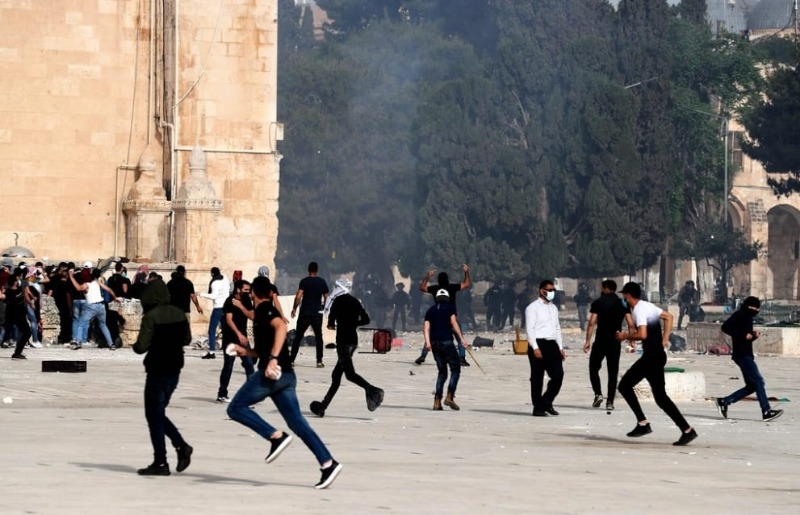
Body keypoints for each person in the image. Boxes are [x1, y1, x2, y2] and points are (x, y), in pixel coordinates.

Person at [226, 275, 343, 489]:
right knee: (297, 423)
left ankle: (275, 437)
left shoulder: (265, 311)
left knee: (235, 408)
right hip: (286, 377)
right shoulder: (260, 316)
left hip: (272, 375)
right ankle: (328, 463)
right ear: (270, 293)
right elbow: (262, 348)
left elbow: (281, 327)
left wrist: (271, 360)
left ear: (253, 294)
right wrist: (244, 351)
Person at [616, 282, 698, 445]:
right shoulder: (647, 306)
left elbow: (643, 334)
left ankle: (643, 423)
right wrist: (665, 338)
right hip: (657, 355)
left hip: (651, 358)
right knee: (661, 398)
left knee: (624, 386)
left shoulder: (639, 309)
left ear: (628, 295)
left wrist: (625, 336)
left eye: (624, 296)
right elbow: (669, 317)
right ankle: (687, 430)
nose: (623, 299)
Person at [132, 278, 193, 476]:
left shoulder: (150, 316)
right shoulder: (179, 313)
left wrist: (136, 345)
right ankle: (180, 447)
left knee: (154, 415)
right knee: (157, 414)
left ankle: (162, 461)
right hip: (175, 369)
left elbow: (141, 347)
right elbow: (187, 339)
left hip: (157, 370)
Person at [310, 278, 383, 417]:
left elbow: (330, 323)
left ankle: (372, 390)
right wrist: (353, 323)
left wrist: (335, 324)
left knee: (349, 374)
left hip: (342, 342)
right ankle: (323, 406)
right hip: (353, 342)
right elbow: (366, 319)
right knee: (336, 375)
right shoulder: (355, 301)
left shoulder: (337, 302)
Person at [715, 296, 783, 422]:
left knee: (752, 386)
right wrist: (744, 335)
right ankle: (766, 411)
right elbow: (725, 327)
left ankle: (724, 401)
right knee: (759, 381)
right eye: (755, 307)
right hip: (742, 355)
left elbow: (746, 337)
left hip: (746, 354)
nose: (757, 310)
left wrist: (753, 335)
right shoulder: (740, 315)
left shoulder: (748, 317)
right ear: (749, 306)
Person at [583, 280, 633, 412]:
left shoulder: (598, 303)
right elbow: (630, 323)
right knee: (613, 371)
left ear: (605, 289)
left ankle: (598, 394)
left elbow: (592, 323)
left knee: (593, 367)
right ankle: (610, 401)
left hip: (600, 340)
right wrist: (631, 339)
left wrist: (587, 341)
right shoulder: (622, 303)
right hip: (615, 341)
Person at [423, 289, 469, 411]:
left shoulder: (431, 310)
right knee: (455, 369)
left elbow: (426, 327)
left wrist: (427, 343)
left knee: (442, 372)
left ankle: (437, 402)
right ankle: (449, 396)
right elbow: (454, 323)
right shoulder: (450, 308)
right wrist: (461, 339)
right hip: (447, 342)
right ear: (447, 298)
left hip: (435, 344)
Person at [415, 265, 471, 366]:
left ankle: (423, 355)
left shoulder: (435, 288)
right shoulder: (452, 287)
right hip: (451, 316)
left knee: (431, 336)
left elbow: (422, 287)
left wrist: (427, 276)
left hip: (438, 317)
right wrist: (466, 272)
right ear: (447, 280)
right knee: (459, 337)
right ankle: (462, 358)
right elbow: (467, 284)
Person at [525, 280, 565, 417]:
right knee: (537, 377)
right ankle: (538, 407)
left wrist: (560, 347)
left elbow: (557, 328)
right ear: (541, 290)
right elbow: (529, 329)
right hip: (538, 343)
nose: (551, 292)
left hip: (552, 344)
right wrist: (535, 347)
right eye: (549, 290)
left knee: (558, 375)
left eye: (553, 290)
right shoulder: (532, 308)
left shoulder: (553, 308)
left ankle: (546, 402)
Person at [215, 280, 256, 403]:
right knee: (228, 366)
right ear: (238, 290)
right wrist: (239, 334)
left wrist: (241, 306)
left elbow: (252, 316)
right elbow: (229, 320)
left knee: (249, 366)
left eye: (249, 290)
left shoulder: (246, 300)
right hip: (231, 339)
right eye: (245, 290)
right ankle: (222, 393)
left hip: (242, 340)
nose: (248, 293)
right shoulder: (229, 301)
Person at [68, 267, 119, 350]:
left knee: (81, 323)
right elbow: (109, 290)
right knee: (103, 325)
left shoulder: (86, 285)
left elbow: (78, 288)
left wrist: (71, 277)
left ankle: (78, 342)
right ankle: (111, 344)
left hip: (91, 307)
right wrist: (115, 297)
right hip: (101, 306)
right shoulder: (97, 282)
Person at [289, 261, 329, 367]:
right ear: (317, 270)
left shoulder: (304, 282)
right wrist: (324, 308)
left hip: (305, 312)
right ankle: (319, 361)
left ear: (308, 270)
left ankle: (291, 360)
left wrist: (294, 308)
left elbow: (298, 297)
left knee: (298, 336)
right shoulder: (322, 282)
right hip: (317, 313)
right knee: (318, 336)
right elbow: (327, 298)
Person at [200, 267, 229, 359]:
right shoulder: (225, 278)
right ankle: (228, 350)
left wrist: (201, 294)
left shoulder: (214, 283)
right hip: (226, 307)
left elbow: (214, 296)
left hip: (218, 308)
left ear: (212, 274)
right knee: (226, 330)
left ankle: (211, 352)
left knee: (212, 330)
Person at [6, 271, 32, 359]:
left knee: (26, 332)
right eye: (16, 280)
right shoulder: (9, 292)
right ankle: (17, 352)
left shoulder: (19, 289)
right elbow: (10, 303)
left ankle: (18, 351)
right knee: (27, 332)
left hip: (22, 315)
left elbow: (24, 296)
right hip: (16, 316)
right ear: (14, 282)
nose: (18, 281)